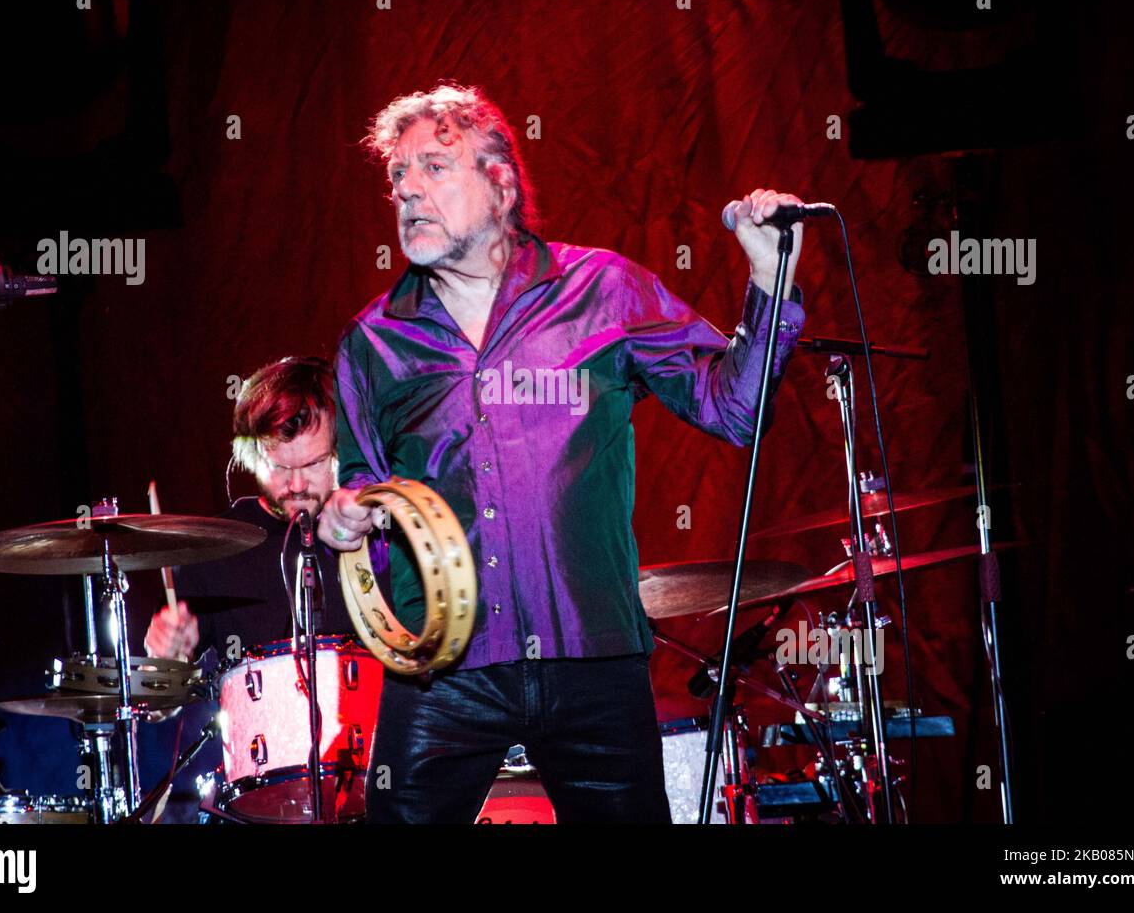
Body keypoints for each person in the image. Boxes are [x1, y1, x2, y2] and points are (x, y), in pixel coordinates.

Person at [318, 81, 808, 823]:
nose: (408, 191)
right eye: (397, 177)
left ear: (501, 185)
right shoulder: (373, 343)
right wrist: (344, 519)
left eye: (434, 167)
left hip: (592, 654)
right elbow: (361, 495)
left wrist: (771, 278)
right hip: (442, 671)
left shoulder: (602, 290)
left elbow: (733, 408)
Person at [143, 356, 356, 667]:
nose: (296, 484)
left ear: (340, 451)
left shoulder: (376, 537)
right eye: (279, 466)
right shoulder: (211, 553)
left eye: (313, 464)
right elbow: (165, 707)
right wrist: (166, 658)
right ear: (253, 454)